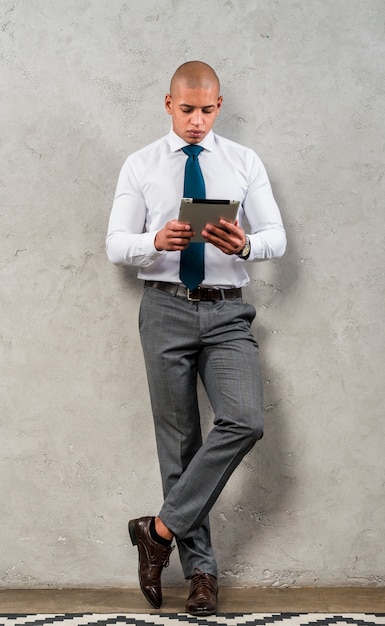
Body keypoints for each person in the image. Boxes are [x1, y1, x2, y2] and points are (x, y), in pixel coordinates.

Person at [106, 60, 286, 616]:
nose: (197, 121)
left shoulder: (242, 162)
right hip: (164, 308)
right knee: (179, 447)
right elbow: (115, 244)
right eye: (187, 110)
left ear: (219, 105)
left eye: (207, 110)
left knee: (245, 420)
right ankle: (201, 575)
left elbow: (276, 235)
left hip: (228, 312)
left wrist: (246, 246)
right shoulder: (141, 165)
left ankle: (156, 531)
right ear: (168, 105)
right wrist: (154, 240)